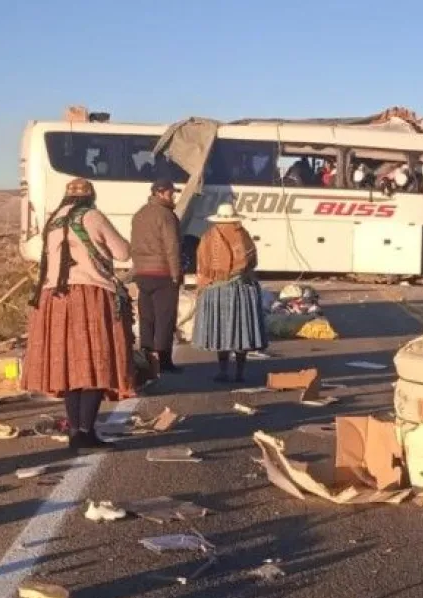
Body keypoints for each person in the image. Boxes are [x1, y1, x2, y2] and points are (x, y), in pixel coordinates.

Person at [22, 178, 134, 453]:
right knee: (96, 360)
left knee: (69, 368)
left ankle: (75, 431)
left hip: (54, 299)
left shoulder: (53, 221)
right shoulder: (92, 216)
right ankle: (86, 432)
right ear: (90, 196)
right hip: (89, 295)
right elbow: (123, 252)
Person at [191, 203, 268, 382]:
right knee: (241, 331)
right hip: (241, 290)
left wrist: (204, 285)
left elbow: (203, 265)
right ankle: (240, 372)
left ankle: (223, 370)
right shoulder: (243, 235)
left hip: (217, 290)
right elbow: (252, 261)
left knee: (221, 329)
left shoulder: (208, 237)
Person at [131, 178, 183, 375]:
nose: (173, 196)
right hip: (162, 272)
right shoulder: (167, 216)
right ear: (160, 193)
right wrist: (176, 274)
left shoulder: (139, 214)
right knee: (165, 317)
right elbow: (172, 247)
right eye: (171, 193)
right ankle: (164, 360)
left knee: (147, 318)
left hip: (142, 273)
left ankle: (146, 357)